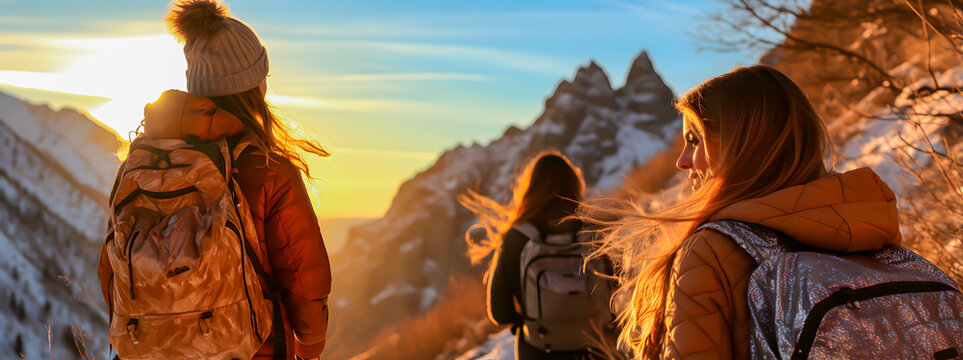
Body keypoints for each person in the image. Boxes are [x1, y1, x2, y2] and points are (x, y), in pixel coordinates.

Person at [591, 65, 905, 359]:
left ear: (741, 146)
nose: (682, 161)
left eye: (694, 140)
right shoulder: (870, 224)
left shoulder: (713, 249)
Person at [96, 1, 330, 359]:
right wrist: (311, 347)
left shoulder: (145, 164)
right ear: (255, 85)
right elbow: (303, 276)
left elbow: (112, 269)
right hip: (252, 348)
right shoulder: (268, 169)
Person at [461, 152, 614, 360]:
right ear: (574, 186)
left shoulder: (518, 237)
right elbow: (614, 296)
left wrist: (528, 320)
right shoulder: (594, 234)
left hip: (538, 351)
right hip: (595, 351)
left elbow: (499, 313)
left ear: (531, 188)